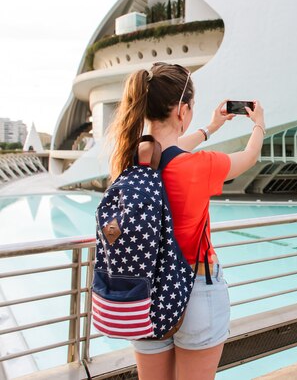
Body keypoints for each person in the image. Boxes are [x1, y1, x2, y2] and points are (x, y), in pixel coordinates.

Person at [106, 62, 265, 380]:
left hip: (144, 293)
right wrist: (258, 125)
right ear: (182, 111)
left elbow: (171, 150)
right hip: (197, 289)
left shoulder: (130, 158)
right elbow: (249, 157)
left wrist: (210, 128)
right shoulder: (199, 166)